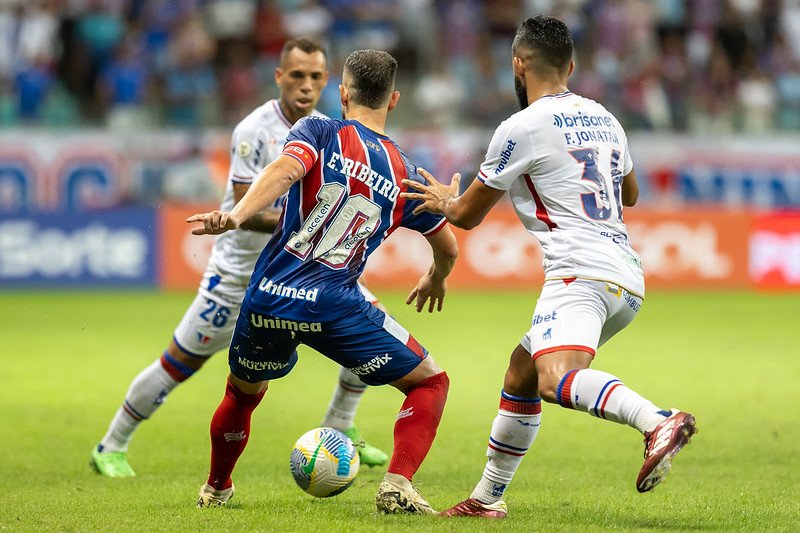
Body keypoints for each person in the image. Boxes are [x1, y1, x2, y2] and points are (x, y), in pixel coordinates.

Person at [402, 16, 698, 518]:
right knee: (521, 371)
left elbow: (468, 216)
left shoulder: (520, 127)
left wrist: (445, 200)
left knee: (551, 378)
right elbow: (630, 193)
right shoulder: (605, 117)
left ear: (517, 64)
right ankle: (487, 499)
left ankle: (657, 421)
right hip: (625, 272)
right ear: (573, 66)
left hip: (578, 272)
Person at [91, 38, 390, 478]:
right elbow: (240, 210)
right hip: (241, 276)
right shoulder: (254, 131)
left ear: (328, 81)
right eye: (297, 76)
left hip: (304, 269)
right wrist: (309, 221)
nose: (306, 86)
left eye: (315, 77)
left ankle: (339, 428)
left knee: (372, 331)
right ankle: (111, 445)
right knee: (181, 362)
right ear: (279, 77)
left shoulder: (331, 130)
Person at [188, 49, 459, 514]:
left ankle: (216, 487)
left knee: (241, 393)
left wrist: (235, 215)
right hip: (334, 306)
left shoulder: (318, 130)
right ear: (393, 100)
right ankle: (397, 483)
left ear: (342, 92)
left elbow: (284, 171)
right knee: (430, 382)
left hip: (269, 296)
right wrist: (436, 276)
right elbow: (448, 246)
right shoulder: (406, 174)